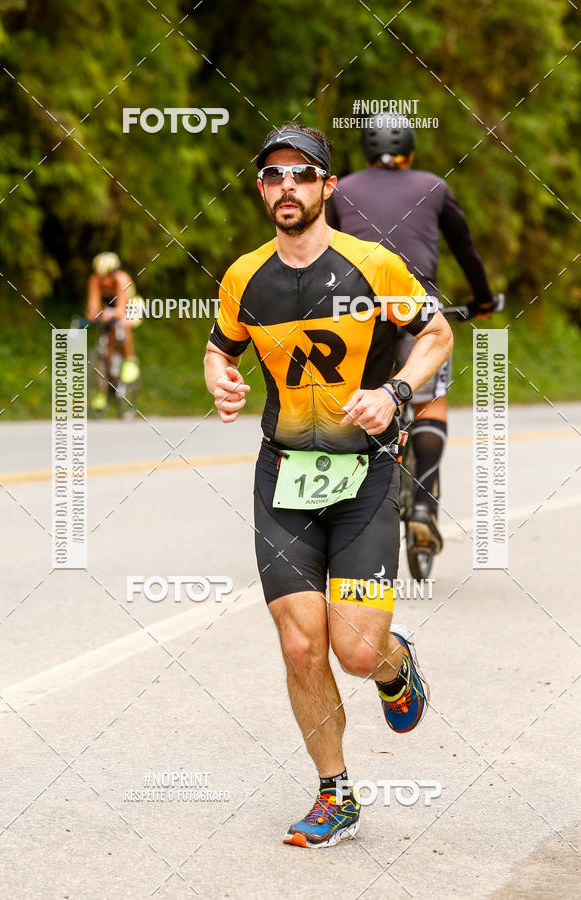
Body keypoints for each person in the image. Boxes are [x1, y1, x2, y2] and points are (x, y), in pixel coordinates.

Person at [204, 123, 453, 848]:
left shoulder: (373, 266)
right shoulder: (244, 276)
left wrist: (398, 393)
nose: (288, 188)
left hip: (367, 472)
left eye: (302, 175)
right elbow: (221, 349)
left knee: (353, 649)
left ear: (327, 187)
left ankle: (394, 660)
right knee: (301, 646)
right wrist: (219, 379)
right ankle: (334, 792)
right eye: (274, 176)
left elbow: (435, 333)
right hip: (283, 474)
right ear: (261, 190)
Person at [327, 116, 494, 553]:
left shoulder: (341, 189)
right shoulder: (434, 187)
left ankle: (344, 511)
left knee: (358, 400)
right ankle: (422, 506)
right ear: (411, 153)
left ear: (364, 152)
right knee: (428, 401)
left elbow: (324, 249)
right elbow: (465, 249)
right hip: (416, 307)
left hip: (355, 311)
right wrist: (482, 300)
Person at [85, 251, 140, 410]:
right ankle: (105, 388)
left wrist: (109, 314)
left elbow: (122, 308)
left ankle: (130, 361)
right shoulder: (95, 280)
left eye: (108, 275)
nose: (105, 280)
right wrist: (93, 314)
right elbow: (93, 305)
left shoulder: (121, 279)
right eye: (101, 276)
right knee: (105, 343)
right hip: (110, 308)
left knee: (122, 323)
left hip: (131, 306)